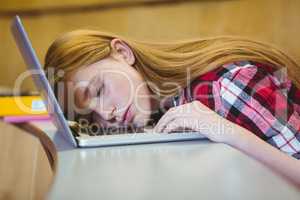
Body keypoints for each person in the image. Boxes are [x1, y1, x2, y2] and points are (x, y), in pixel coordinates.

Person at [44, 30, 300, 187]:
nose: (106, 113)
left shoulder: (228, 86)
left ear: (122, 53)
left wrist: (230, 133)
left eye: (99, 90)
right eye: (90, 115)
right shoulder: (164, 105)